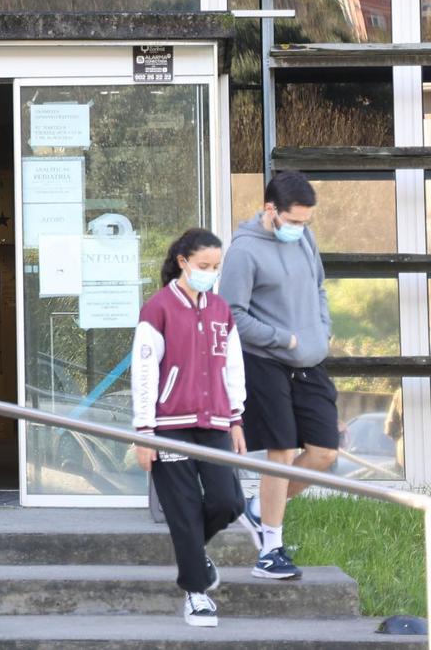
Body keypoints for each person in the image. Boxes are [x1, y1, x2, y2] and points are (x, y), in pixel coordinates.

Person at [221, 171, 337, 580]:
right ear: (271, 209)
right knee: (282, 454)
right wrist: (283, 339)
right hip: (266, 360)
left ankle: (256, 510)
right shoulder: (243, 252)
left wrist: (322, 329)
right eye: (295, 220)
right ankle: (270, 548)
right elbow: (232, 314)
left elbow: (319, 286)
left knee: (324, 453)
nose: (301, 228)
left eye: (306, 221)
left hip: (310, 359)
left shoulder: (304, 238)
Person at [131, 228, 247, 628]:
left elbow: (233, 366)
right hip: (169, 426)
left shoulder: (220, 309)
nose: (210, 273)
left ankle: (194, 556)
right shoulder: (158, 308)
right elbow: (144, 372)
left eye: (215, 267)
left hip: (214, 421)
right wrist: (143, 433)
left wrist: (236, 418)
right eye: (203, 266)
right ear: (183, 262)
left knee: (228, 502)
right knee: (182, 511)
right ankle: (196, 595)